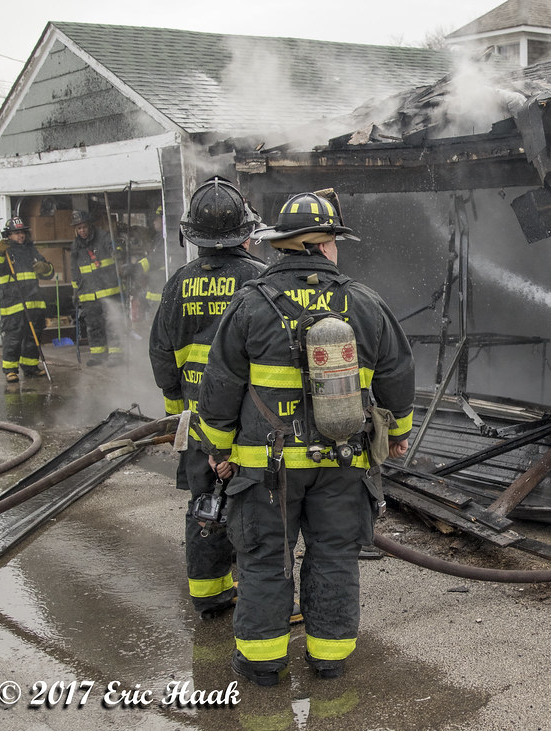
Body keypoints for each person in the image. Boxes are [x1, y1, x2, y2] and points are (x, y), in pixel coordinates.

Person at [196, 190, 415, 686]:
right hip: (343, 463)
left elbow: (221, 384)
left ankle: (263, 665)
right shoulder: (364, 301)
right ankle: (329, 659)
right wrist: (397, 434)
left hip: (264, 469)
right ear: (327, 245)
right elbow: (398, 373)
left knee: (266, 561)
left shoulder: (251, 304)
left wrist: (217, 448)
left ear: (283, 246)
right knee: (335, 557)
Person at [148, 178, 267, 620]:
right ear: (246, 232)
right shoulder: (259, 280)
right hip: (249, 419)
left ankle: (208, 594)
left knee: (205, 504)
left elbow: (161, 351)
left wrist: (177, 411)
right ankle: (250, 589)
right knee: (253, 504)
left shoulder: (178, 283)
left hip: (199, 419)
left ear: (191, 235)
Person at [0, 217, 55, 382]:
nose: (20, 236)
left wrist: (46, 268)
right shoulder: (5, 252)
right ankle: (10, 370)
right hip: (13, 305)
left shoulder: (31, 251)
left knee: (33, 337)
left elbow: (49, 273)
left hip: (34, 303)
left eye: (22, 232)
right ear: (9, 235)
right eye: (16, 233)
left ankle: (30, 367)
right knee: (13, 338)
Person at [69, 209, 123, 365]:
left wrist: (116, 252)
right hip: (88, 294)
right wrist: (75, 292)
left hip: (109, 290)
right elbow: (74, 270)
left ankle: (116, 355)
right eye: (79, 228)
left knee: (112, 322)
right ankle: (98, 356)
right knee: (94, 325)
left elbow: (115, 245)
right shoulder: (76, 246)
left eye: (84, 227)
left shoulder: (103, 237)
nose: (82, 231)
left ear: (89, 225)